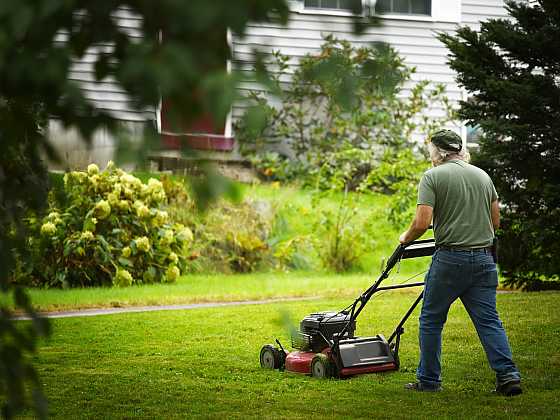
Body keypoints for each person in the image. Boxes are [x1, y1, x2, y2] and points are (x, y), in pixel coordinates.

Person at [399, 129, 522, 396]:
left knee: (431, 320)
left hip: (450, 260)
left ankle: (429, 381)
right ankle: (508, 376)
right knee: (489, 320)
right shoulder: (482, 175)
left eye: (430, 150)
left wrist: (404, 239)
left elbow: (422, 222)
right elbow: (496, 222)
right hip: (484, 259)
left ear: (438, 152)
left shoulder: (432, 177)